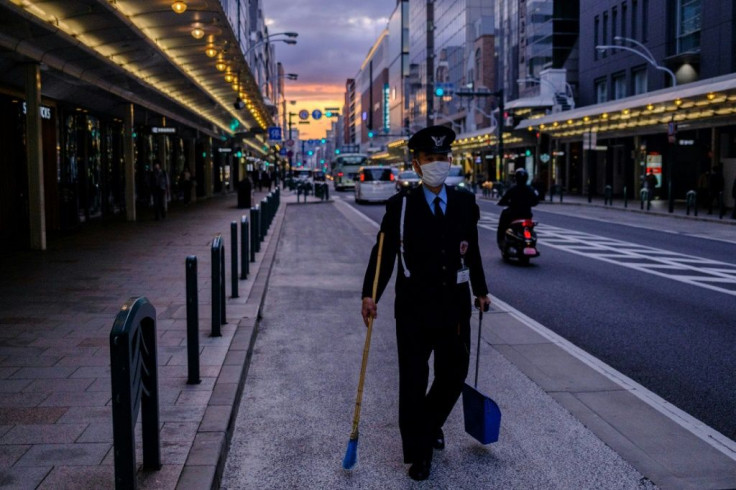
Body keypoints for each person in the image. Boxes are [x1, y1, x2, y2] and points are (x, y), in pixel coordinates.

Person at [360, 125, 491, 481]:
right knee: (414, 380)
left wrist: (480, 289)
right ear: (416, 165)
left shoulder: (465, 203)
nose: (437, 164)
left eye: (442, 158)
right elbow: (383, 254)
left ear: (450, 161)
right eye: (429, 158)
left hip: (454, 307)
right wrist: (370, 294)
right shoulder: (400, 206)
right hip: (414, 309)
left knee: (454, 373)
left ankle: (430, 424)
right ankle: (418, 454)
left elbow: (472, 250)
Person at [496, 168, 539, 247]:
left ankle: (501, 240)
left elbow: (503, 200)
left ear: (516, 178)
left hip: (513, 214)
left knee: (502, 225)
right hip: (527, 214)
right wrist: (529, 203)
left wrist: (504, 203)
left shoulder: (512, 189)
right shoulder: (530, 189)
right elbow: (536, 201)